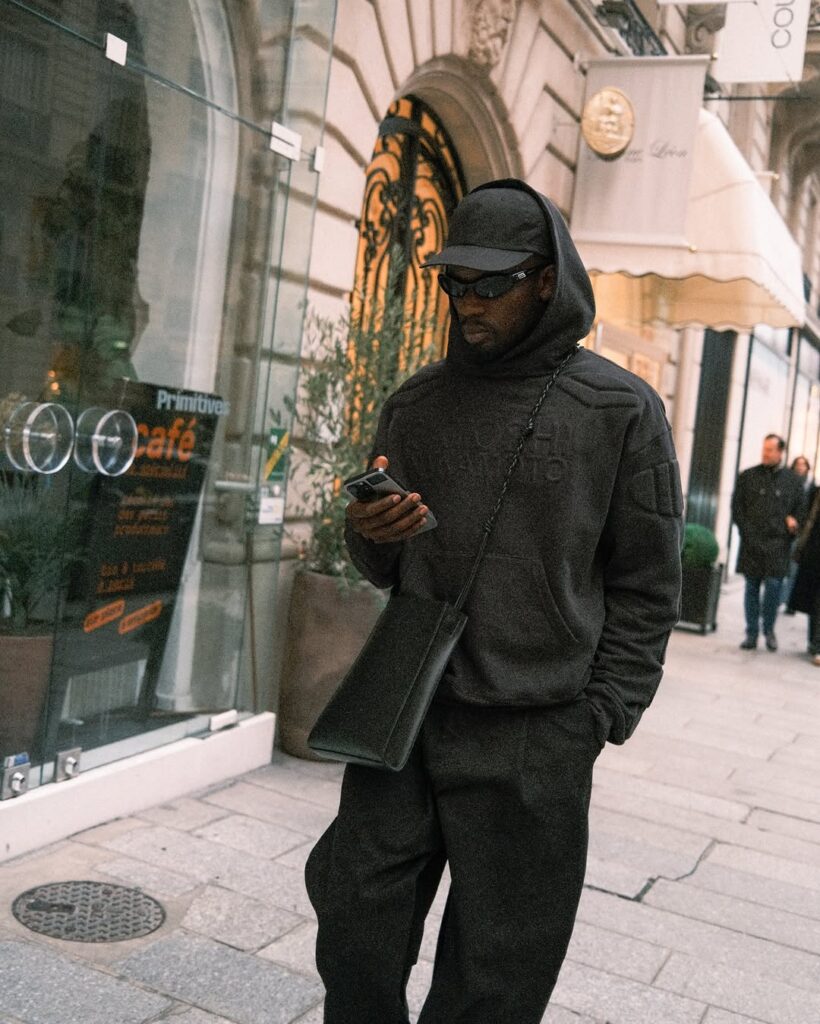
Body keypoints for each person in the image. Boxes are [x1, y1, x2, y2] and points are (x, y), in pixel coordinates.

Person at [304, 179, 683, 1024]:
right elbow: (378, 566)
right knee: (354, 928)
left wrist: (598, 716)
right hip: (405, 713)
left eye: (489, 283)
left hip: (535, 730)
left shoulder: (620, 410)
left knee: (496, 978)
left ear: (545, 279)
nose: (465, 302)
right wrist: (373, 528)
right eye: (453, 283)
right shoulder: (417, 404)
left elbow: (648, 584)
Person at [732, 435, 802, 650]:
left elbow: (801, 511)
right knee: (751, 588)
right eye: (764, 449)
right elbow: (737, 509)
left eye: (770, 450)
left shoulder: (793, 481)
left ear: (780, 453)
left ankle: (769, 629)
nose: (765, 453)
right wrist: (747, 533)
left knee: (773, 588)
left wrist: (794, 523)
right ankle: (751, 633)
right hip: (752, 543)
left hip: (778, 545)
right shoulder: (748, 476)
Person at [789, 486, 820, 664]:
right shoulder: (816, 492)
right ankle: (814, 642)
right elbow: (808, 519)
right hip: (814, 553)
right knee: (813, 599)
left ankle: (816, 644)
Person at [782, 455, 815, 610]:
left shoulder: (811, 487)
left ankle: (788, 602)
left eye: (803, 465)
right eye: (798, 464)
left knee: (793, 569)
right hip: (785, 530)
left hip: (801, 533)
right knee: (782, 567)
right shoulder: (787, 483)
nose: (800, 467)